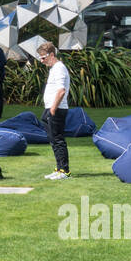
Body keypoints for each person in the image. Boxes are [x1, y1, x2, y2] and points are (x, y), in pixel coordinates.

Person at [37, 42, 71, 180]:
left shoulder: (59, 68)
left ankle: (65, 171)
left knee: (58, 140)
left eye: (43, 57)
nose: (41, 61)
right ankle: (58, 168)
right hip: (50, 109)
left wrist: (52, 109)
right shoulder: (53, 69)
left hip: (57, 109)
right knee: (53, 140)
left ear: (52, 55)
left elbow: (61, 91)